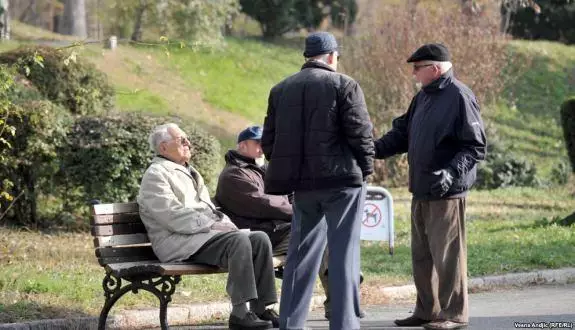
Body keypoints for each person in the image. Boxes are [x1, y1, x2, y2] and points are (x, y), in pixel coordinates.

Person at [262, 31, 375, 330]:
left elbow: (269, 143)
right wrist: (365, 170)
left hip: (303, 186)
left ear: (307, 56)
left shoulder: (280, 89)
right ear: (332, 56)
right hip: (341, 184)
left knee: (300, 256)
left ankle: (290, 323)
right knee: (343, 255)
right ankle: (345, 324)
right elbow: (361, 134)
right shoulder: (344, 84)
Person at [374, 44, 486, 330]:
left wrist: (451, 172)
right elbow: (402, 134)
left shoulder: (460, 96)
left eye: (417, 67)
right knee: (422, 257)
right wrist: (371, 149)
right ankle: (427, 310)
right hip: (421, 189)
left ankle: (454, 314)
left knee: (448, 256)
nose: (413, 73)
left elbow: (475, 146)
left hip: (447, 193)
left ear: (435, 69)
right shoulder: (423, 96)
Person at [137, 123, 279, 330]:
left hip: (197, 237)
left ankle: (261, 307)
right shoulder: (156, 174)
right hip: (176, 241)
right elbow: (172, 216)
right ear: (163, 148)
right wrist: (212, 225)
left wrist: (224, 224)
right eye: (181, 140)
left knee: (259, 239)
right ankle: (240, 312)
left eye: (187, 139)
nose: (188, 143)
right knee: (238, 241)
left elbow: (208, 209)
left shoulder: (189, 171)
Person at [215, 125, 361, 320]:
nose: (263, 147)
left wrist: (298, 207)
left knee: (319, 232)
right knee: (317, 233)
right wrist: (301, 212)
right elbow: (265, 203)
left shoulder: (264, 169)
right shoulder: (234, 174)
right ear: (242, 146)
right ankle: (343, 286)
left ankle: (340, 295)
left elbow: (292, 194)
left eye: (265, 142)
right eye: (257, 143)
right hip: (258, 238)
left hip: (277, 231)